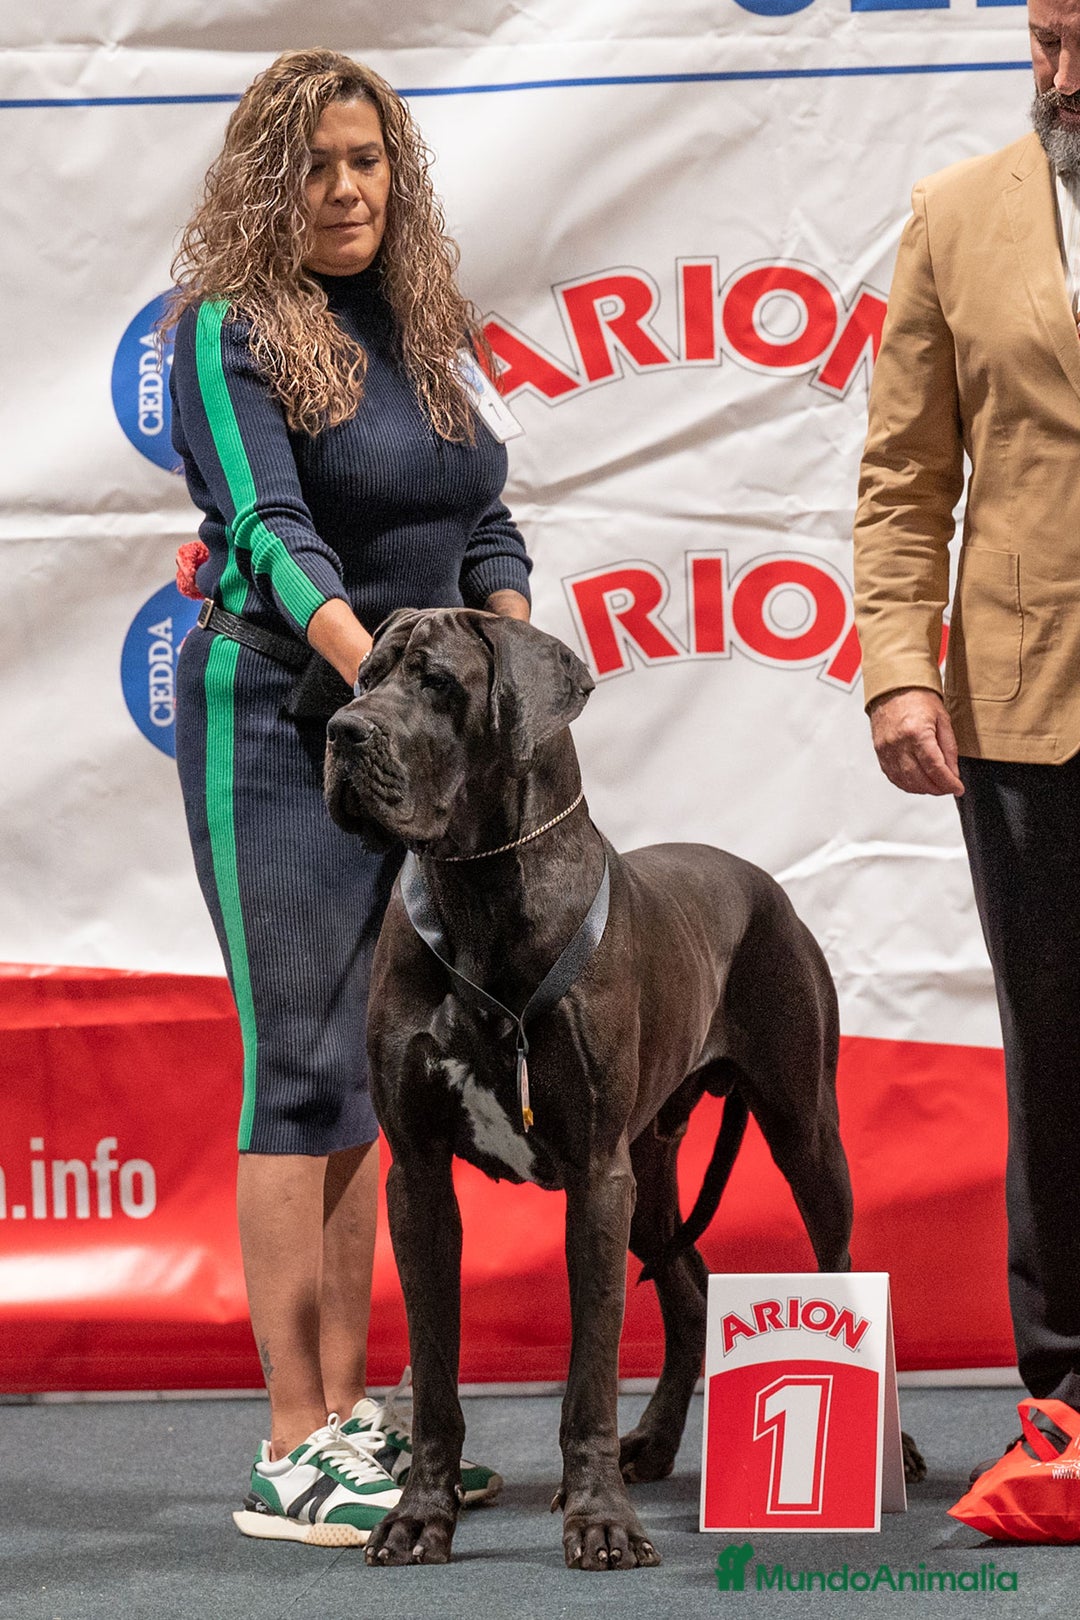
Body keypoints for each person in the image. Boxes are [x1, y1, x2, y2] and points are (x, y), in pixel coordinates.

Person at [166, 49, 531, 1544]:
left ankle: (347, 1409)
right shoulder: (227, 329)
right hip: (277, 725)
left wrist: (505, 662)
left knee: (370, 1080)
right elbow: (267, 531)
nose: (342, 189)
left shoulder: (422, 323)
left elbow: (484, 517)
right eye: (312, 164)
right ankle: (287, 1442)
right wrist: (386, 675)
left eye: (365, 160)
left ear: (396, 172)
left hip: (409, 746)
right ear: (271, 178)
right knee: (296, 1070)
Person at [854, 0, 1080, 1471]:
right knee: (1057, 1055)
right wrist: (897, 669)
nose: (1061, 78)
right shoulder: (952, 214)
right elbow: (903, 478)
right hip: (1025, 703)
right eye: (1043, 44)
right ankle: (1066, 1394)